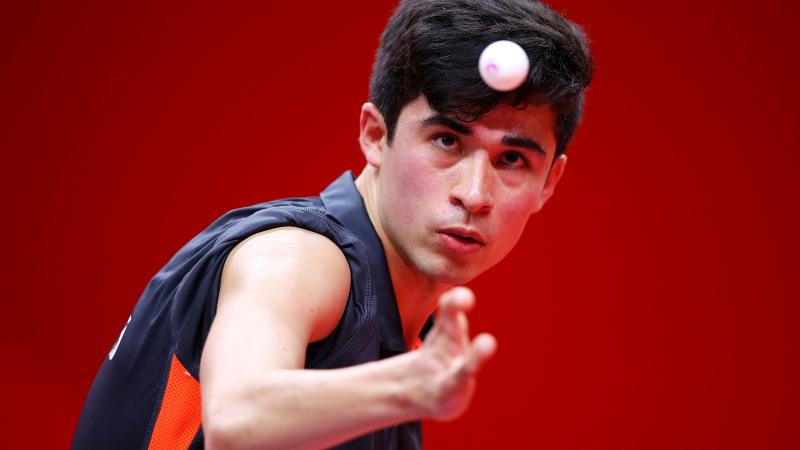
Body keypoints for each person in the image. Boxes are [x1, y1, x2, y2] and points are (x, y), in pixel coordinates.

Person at [72, 0, 593, 448]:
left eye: (512, 161)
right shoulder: (298, 258)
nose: (474, 194)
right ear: (374, 135)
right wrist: (408, 388)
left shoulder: (405, 333)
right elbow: (234, 420)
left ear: (550, 180)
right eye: (446, 141)